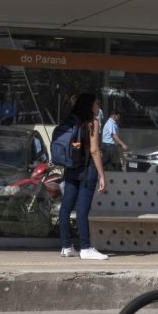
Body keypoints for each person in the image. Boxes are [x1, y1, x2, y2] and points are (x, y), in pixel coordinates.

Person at [57, 92, 108, 260]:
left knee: (65, 207)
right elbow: (94, 150)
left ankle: (66, 246)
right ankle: (85, 248)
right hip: (88, 169)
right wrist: (102, 174)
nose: (98, 105)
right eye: (96, 102)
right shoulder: (92, 122)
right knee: (82, 209)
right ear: (90, 105)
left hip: (72, 167)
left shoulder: (70, 120)